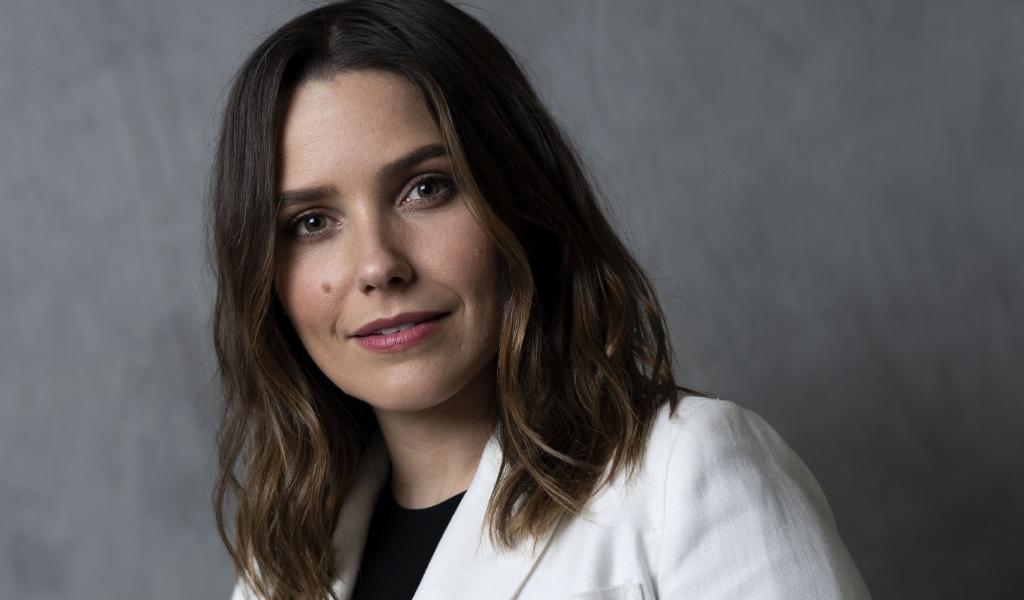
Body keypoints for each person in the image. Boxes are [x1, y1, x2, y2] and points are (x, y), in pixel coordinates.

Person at [208, 1, 871, 598]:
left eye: (426, 188)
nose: (378, 265)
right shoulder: (278, 571)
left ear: (519, 199)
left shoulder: (688, 472)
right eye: (311, 223)